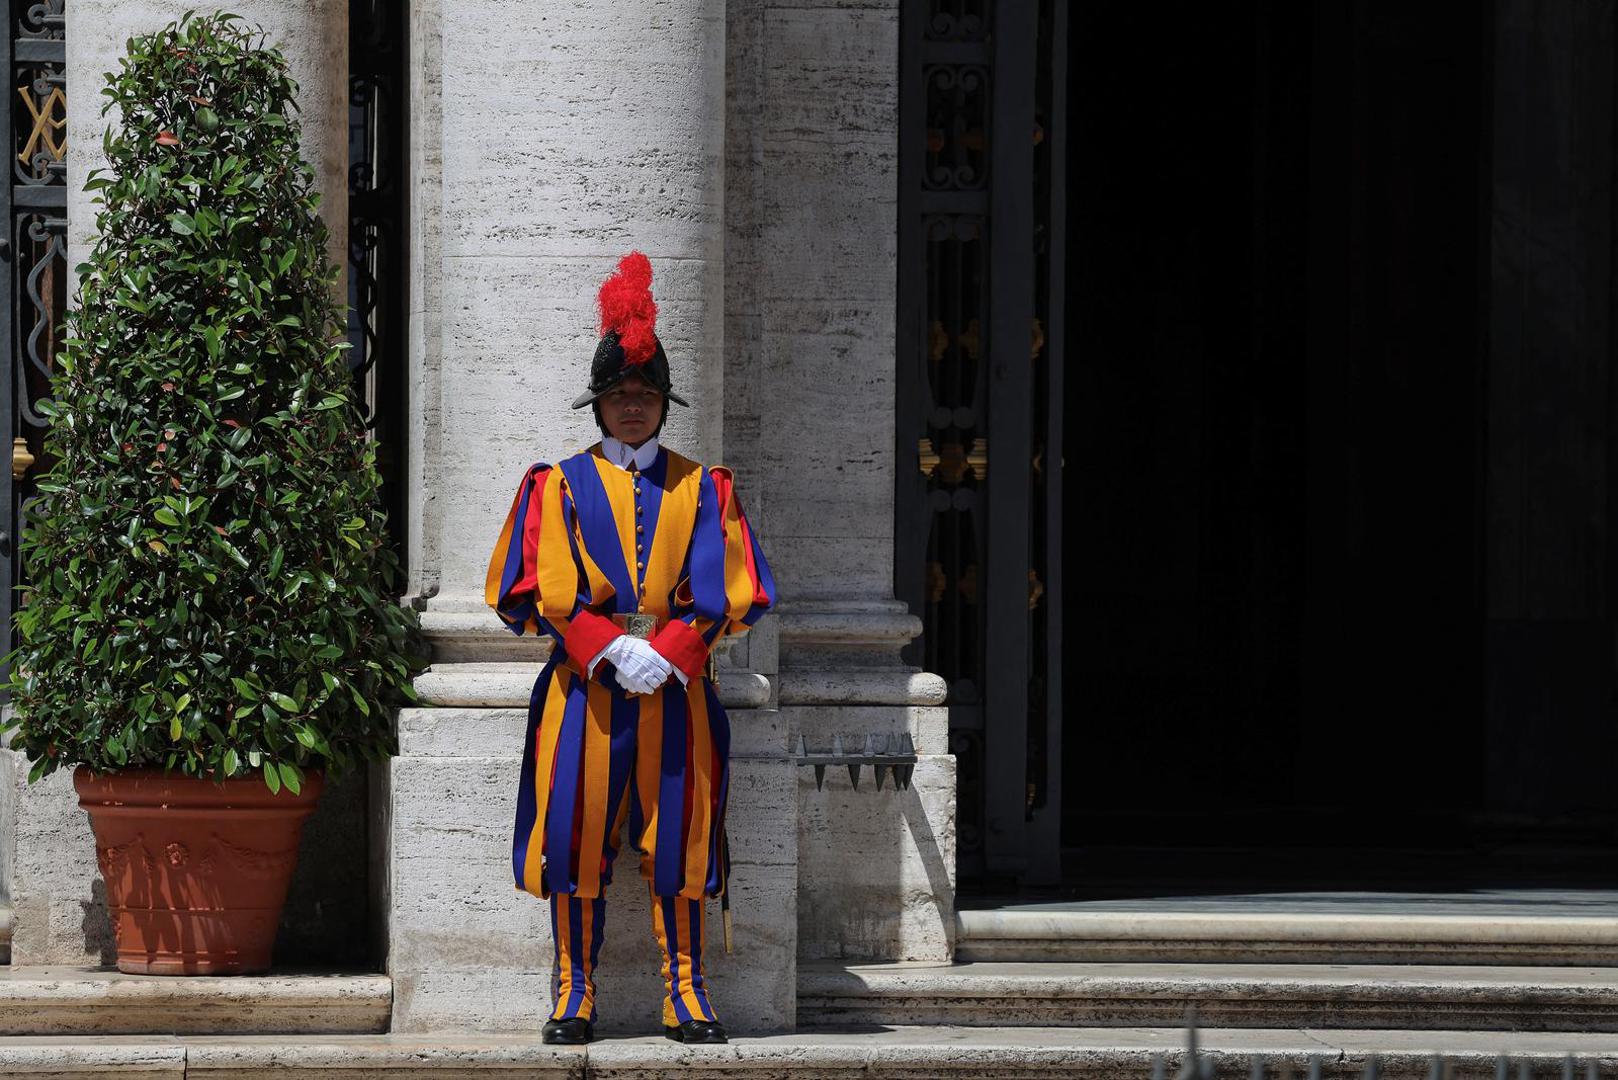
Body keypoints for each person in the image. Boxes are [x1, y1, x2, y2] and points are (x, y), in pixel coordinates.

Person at [484, 251, 775, 1045]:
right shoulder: (557, 484)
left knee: (682, 839)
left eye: (645, 395)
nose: (634, 407)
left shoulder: (704, 486)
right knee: (575, 839)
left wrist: (671, 650)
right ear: (600, 406)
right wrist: (608, 647)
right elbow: (534, 586)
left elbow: (730, 589)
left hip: (678, 693)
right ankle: (574, 992)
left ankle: (686, 992)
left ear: (663, 404)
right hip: (586, 692)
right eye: (620, 395)